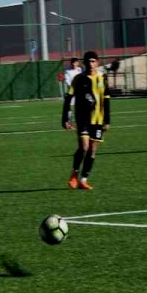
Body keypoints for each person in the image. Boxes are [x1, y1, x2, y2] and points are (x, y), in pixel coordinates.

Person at [62, 50, 110, 190]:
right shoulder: (79, 79)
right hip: (83, 118)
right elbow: (68, 97)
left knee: (92, 150)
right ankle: (74, 173)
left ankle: (83, 179)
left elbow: (106, 101)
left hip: (98, 120)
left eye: (93, 61)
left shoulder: (102, 79)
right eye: (88, 61)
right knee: (84, 147)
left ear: (97, 63)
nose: (91, 64)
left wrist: (107, 120)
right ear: (84, 63)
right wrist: (66, 117)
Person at [60, 57, 81, 130]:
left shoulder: (79, 70)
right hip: (71, 92)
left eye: (75, 62)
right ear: (71, 63)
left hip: (79, 92)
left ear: (77, 63)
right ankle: (68, 123)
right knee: (69, 108)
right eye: (73, 63)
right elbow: (68, 83)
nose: (74, 64)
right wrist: (73, 89)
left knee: (79, 108)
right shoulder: (67, 71)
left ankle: (79, 123)